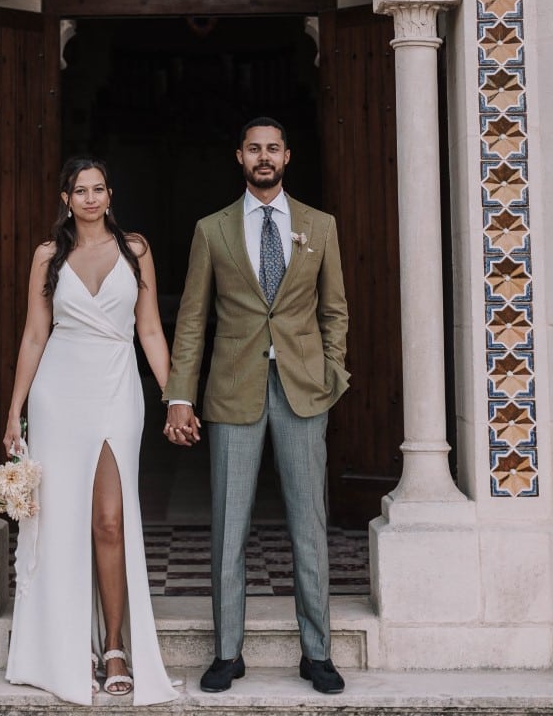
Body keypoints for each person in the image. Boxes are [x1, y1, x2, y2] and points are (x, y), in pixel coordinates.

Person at [163, 117, 350, 695]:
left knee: (309, 524)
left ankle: (317, 652)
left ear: (288, 157)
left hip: (302, 388)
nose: (263, 157)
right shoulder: (211, 230)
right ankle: (227, 652)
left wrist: (332, 373)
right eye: (254, 149)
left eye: (273, 149)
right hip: (231, 389)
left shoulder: (320, 225)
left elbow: (334, 309)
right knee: (229, 526)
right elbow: (193, 318)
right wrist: (180, 395)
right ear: (239, 157)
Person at [3, 156, 178, 705]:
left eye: (99, 188)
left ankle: (116, 645)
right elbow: (35, 335)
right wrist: (15, 411)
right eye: (80, 190)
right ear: (65, 198)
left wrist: (176, 396)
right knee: (61, 521)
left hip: (116, 384)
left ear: (110, 194)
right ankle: (64, 644)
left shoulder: (136, 250)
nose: (91, 198)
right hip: (58, 391)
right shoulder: (48, 257)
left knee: (109, 518)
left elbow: (148, 328)